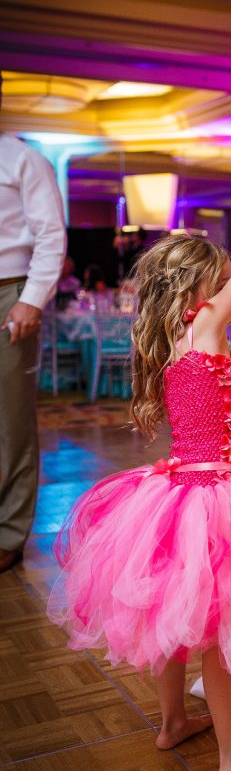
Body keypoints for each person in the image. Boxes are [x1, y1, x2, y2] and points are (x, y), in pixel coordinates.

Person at [47, 217, 231, 771]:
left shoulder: (184, 341)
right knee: (216, 629)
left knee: (176, 618)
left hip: (183, 489)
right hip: (213, 498)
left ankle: (173, 721)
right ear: (199, 287)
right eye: (221, 280)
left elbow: (214, 415)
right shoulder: (204, 322)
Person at [0, 131, 66, 574]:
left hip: (10, 291)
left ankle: (8, 533)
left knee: (10, 420)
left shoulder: (21, 157)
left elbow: (50, 233)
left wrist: (32, 299)